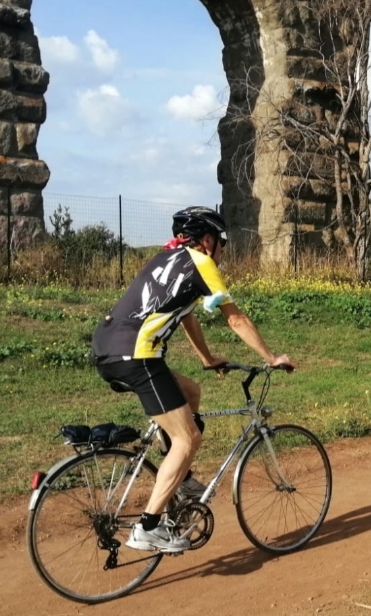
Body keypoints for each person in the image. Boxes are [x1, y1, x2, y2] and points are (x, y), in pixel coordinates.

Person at [90, 206, 295, 553]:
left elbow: (185, 315)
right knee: (188, 439)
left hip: (107, 348)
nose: (223, 249)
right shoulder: (202, 264)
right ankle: (148, 527)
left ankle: (181, 481)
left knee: (190, 391)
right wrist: (271, 358)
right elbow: (236, 319)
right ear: (207, 240)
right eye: (221, 241)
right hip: (138, 356)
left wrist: (206, 358)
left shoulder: (165, 258)